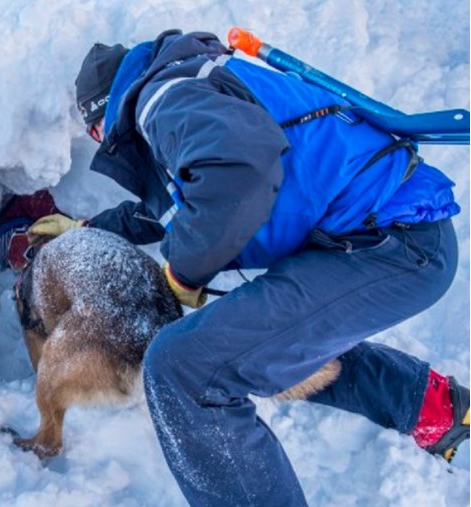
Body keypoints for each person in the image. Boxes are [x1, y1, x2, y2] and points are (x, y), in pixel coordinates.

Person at [26, 30, 470, 506]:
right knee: (250, 343)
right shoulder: (187, 86)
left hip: (392, 243)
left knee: (185, 368)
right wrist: (86, 226)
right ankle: (437, 408)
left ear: (102, 114)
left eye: (94, 132)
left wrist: (186, 272)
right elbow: (179, 203)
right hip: (380, 238)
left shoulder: (163, 98)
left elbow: (241, 173)